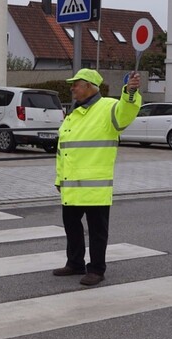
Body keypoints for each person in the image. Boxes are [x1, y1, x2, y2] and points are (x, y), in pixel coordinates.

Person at [53, 68, 141, 286]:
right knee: (71, 227)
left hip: (95, 186)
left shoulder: (108, 107)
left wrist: (130, 92)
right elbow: (63, 149)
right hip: (72, 185)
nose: (72, 87)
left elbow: (126, 111)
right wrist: (59, 179)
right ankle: (75, 263)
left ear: (90, 86)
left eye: (77, 84)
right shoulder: (74, 113)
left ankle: (97, 269)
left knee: (97, 231)